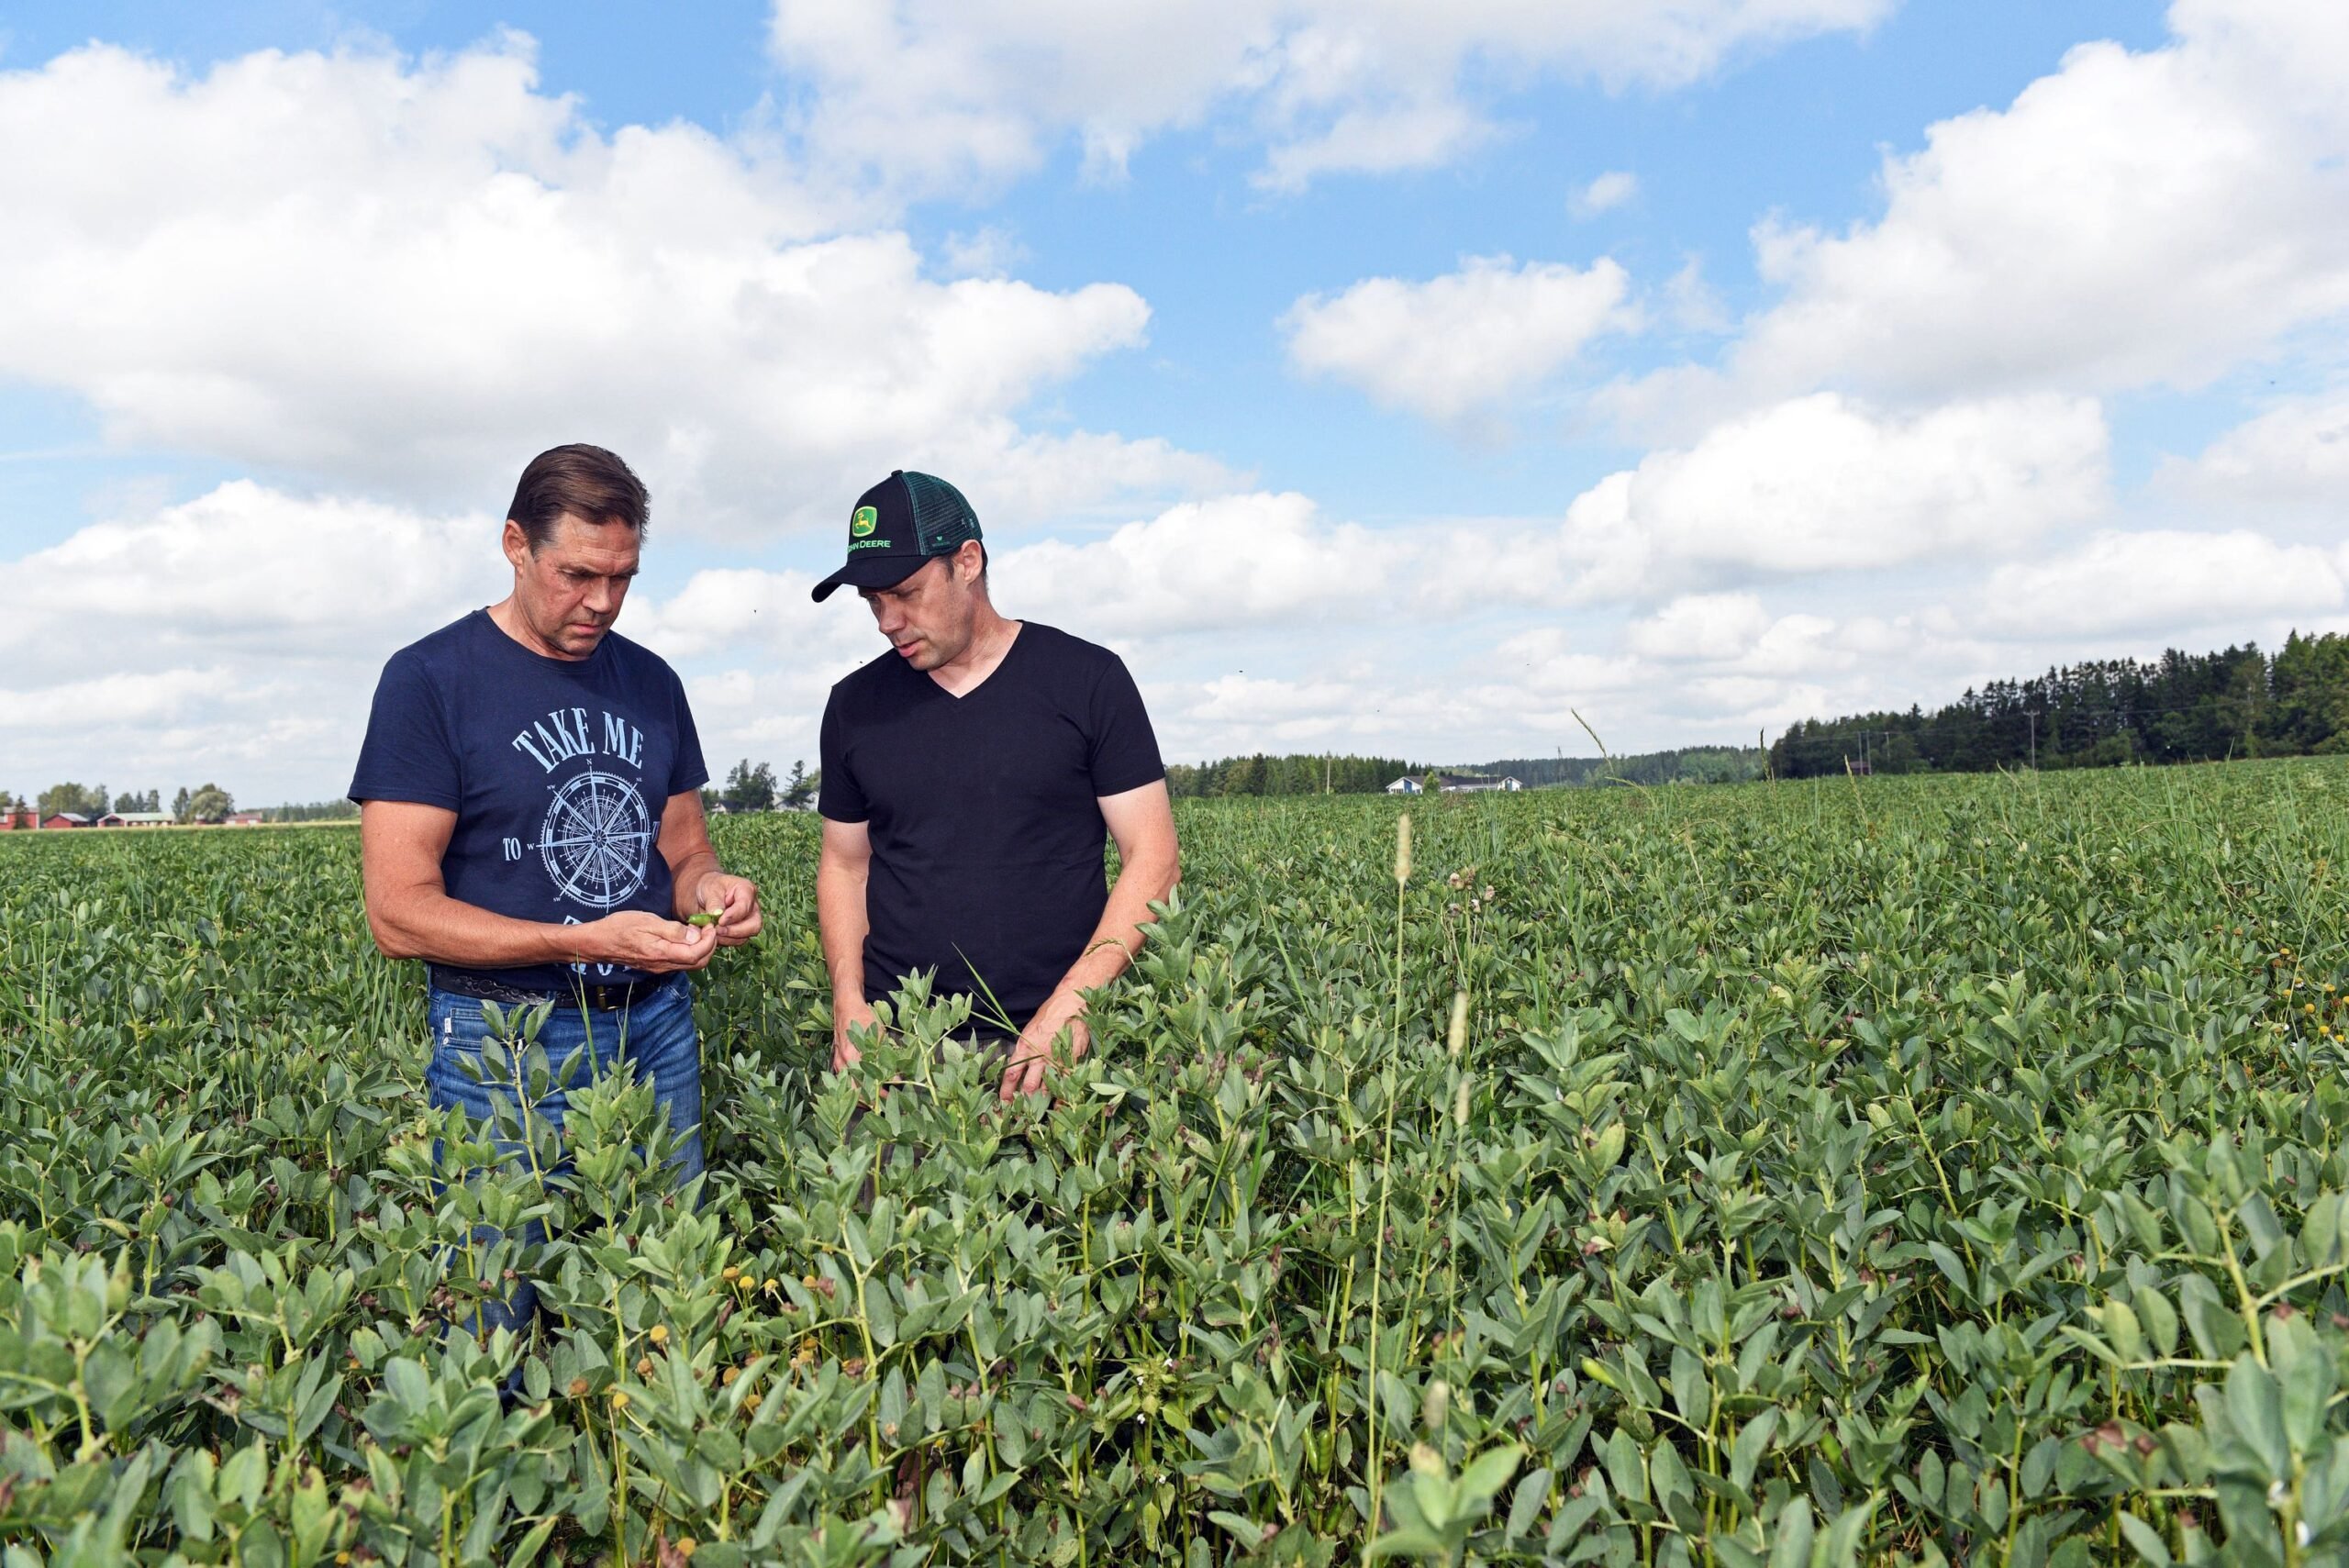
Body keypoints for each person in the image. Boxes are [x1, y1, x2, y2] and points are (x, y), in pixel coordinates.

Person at [351, 442, 760, 1331]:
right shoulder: (429, 682)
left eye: (622, 577)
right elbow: (397, 913)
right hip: (503, 1039)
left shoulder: (651, 681)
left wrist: (713, 889)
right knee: (493, 1302)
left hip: (654, 1022)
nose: (602, 602)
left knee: (670, 1289)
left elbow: (686, 850)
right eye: (578, 574)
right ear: (514, 544)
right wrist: (577, 937)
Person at [811, 470, 1179, 1100]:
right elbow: (845, 866)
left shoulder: (1087, 681)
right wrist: (849, 1000)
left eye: (905, 592)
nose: (887, 621)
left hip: (1054, 1043)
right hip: (903, 1053)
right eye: (873, 601)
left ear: (968, 561)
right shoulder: (854, 707)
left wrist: (1073, 1003)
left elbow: (1155, 858)